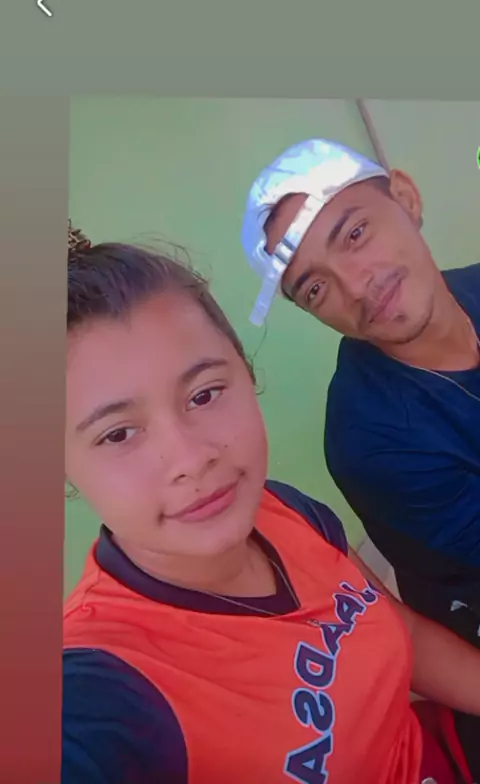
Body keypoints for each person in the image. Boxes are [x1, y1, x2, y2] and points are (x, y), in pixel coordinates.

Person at [63, 225, 480, 784]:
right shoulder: (102, 688)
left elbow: (399, 630)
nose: (192, 459)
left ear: (246, 371)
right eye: (117, 434)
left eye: (204, 394)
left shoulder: (282, 511)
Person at [240, 139, 480, 653]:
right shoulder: (370, 442)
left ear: (406, 198)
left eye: (354, 234)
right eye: (315, 289)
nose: (354, 286)